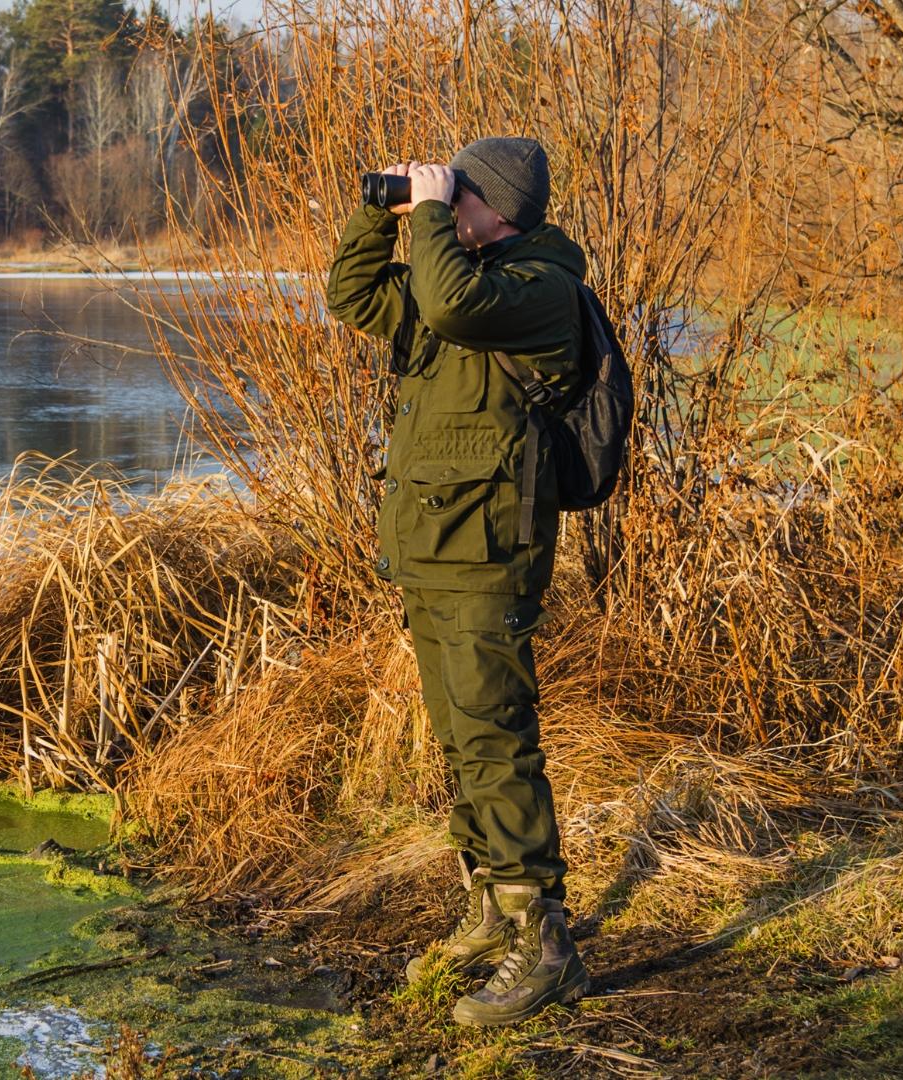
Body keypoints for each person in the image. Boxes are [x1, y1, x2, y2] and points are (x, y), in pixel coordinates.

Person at [324, 137, 590, 1026]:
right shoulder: (458, 273)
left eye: (462, 192)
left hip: (488, 556)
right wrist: (381, 212)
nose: (446, 202)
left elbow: (446, 299)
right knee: (457, 741)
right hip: (433, 551)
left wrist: (430, 217)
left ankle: (546, 943)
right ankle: (490, 912)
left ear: (499, 208)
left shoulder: (536, 288)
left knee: (496, 741)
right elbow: (353, 295)